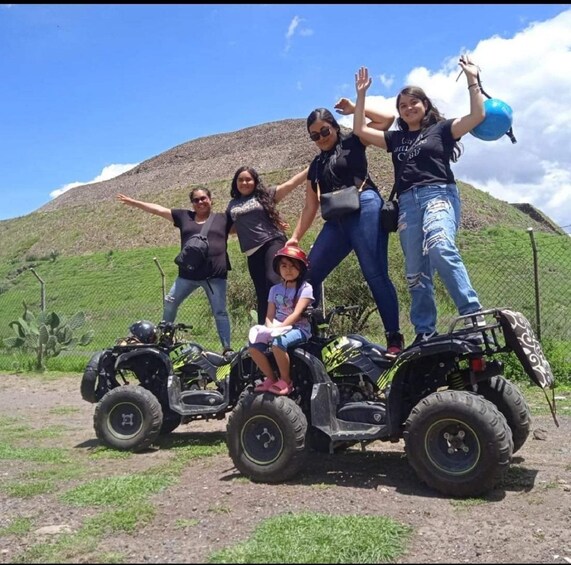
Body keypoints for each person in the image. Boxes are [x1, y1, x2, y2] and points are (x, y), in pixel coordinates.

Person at [351, 57, 486, 345]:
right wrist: (360, 96)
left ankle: (473, 316)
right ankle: (425, 330)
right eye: (402, 105)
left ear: (425, 105)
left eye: (414, 102)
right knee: (415, 271)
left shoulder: (441, 129)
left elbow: (477, 117)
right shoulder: (396, 139)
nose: (409, 108)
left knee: (439, 246)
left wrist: (473, 80)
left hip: (438, 193)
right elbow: (361, 131)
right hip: (407, 204)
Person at [285, 107, 403, 355]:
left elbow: (387, 119)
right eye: (314, 136)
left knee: (374, 272)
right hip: (337, 221)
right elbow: (310, 206)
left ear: (335, 127)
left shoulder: (353, 140)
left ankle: (394, 338)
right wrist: (295, 238)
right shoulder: (316, 165)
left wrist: (354, 109)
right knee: (309, 275)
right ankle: (311, 335)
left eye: (324, 131)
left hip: (365, 207)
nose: (321, 138)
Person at [117, 188, 233, 353]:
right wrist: (134, 202)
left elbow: (244, 227)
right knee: (170, 302)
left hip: (215, 277)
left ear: (210, 199)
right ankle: (164, 341)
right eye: (196, 200)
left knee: (220, 312)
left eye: (203, 198)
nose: (200, 202)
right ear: (192, 203)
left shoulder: (223, 219)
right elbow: (158, 210)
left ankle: (227, 348)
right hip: (187, 276)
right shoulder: (184, 217)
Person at [226, 166, 308, 325]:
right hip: (251, 251)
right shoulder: (232, 205)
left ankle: (286, 320)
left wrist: (310, 169)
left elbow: (290, 184)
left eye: (248, 179)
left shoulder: (265, 195)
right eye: (240, 179)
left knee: (273, 280)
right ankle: (265, 329)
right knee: (261, 291)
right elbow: (231, 227)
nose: (244, 182)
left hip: (272, 241)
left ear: (255, 182)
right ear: (235, 183)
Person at [248, 246, 314, 396]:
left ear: (301, 269)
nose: (288, 270)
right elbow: (269, 315)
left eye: (293, 266)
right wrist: (269, 327)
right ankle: (271, 378)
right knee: (253, 347)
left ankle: (286, 381)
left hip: (299, 329)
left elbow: (297, 314)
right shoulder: (274, 290)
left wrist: (280, 329)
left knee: (278, 343)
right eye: (284, 265)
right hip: (277, 328)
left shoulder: (305, 288)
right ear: (278, 268)